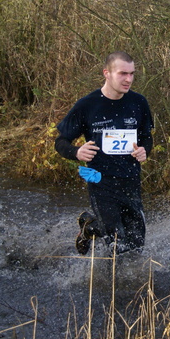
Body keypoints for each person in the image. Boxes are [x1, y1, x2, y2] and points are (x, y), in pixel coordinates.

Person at [54, 51, 154, 255]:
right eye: (122, 73)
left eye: (132, 73)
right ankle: (114, 284)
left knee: (136, 245)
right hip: (100, 180)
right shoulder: (87, 105)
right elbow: (60, 141)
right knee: (117, 243)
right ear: (106, 73)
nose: (128, 79)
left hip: (130, 180)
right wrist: (76, 152)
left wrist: (145, 150)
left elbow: (146, 137)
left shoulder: (138, 102)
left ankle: (90, 227)